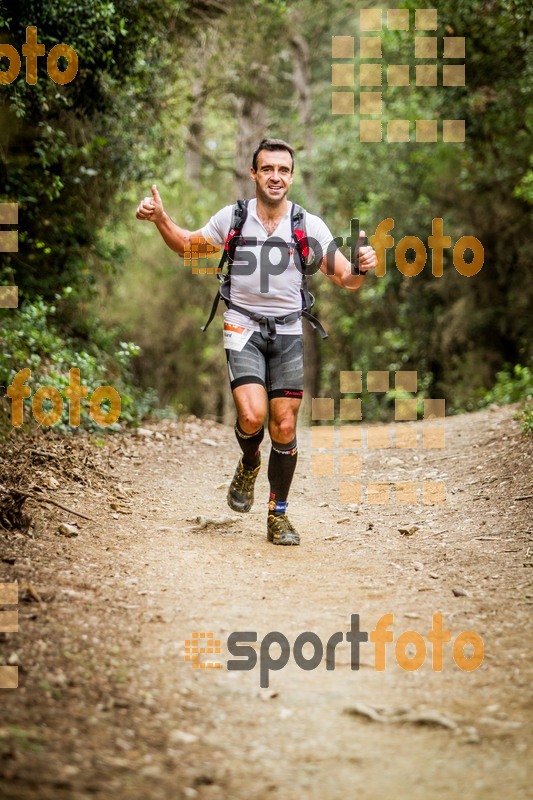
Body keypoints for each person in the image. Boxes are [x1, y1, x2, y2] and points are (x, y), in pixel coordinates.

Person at [136, 137, 376, 546]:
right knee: (251, 417)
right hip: (241, 326)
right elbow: (189, 248)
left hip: (287, 331)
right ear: (254, 174)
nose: (276, 177)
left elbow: (346, 278)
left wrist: (364, 264)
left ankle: (277, 515)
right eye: (268, 169)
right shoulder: (233, 217)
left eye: (283, 170)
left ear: (292, 176)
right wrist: (161, 218)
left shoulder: (308, 225)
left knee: (284, 423)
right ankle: (249, 462)